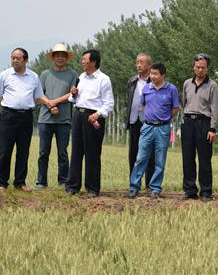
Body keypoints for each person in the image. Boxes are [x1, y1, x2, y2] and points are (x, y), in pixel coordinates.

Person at [0, 48, 45, 192]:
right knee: (5, 150)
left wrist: (26, 105)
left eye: (18, 58)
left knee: (23, 150)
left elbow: (37, 96)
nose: (14, 61)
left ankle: (20, 182)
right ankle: (2, 183)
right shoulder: (5, 75)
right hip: (8, 116)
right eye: (12, 58)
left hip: (26, 117)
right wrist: (9, 107)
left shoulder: (33, 76)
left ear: (26, 60)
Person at [126, 62, 180, 199]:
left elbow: (175, 108)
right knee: (140, 158)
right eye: (151, 73)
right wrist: (149, 119)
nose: (153, 76)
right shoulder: (146, 88)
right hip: (147, 127)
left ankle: (155, 188)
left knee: (159, 160)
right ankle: (134, 187)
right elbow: (143, 105)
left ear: (163, 75)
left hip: (163, 128)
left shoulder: (171, 89)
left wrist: (165, 119)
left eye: (156, 74)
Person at [65, 49, 114, 198]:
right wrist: (74, 93)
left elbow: (109, 103)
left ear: (94, 62)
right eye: (82, 59)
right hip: (79, 115)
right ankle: (72, 186)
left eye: (85, 59)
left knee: (92, 153)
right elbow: (74, 100)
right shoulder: (81, 77)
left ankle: (92, 188)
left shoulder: (103, 79)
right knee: (76, 152)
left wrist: (98, 114)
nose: (82, 62)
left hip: (93, 117)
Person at [36, 44, 78, 189]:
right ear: (52, 58)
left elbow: (72, 94)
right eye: (57, 55)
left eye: (63, 55)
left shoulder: (73, 74)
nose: (60, 58)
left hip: (64, 119)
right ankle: (41, 181)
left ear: (67, 58)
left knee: (62, 152)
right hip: (45, 119)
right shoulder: (45, 74)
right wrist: (50, 105)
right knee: (43, 152)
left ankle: (63, 181)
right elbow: (40, 93)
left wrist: (55, 102)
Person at [180, 53, 218, 202]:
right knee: (188, 158)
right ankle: (190, 190)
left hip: (204, 123)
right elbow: (185, 103)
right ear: (193, 67)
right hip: (188, 122)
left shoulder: (212, 85)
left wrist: (213, 129)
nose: (200, 70)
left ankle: (206, 192)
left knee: (204, 159)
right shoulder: (187, 83)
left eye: (203, 67)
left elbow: (215, 108)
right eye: (197, 67)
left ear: (207, 68)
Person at [126, 53, 155, 191]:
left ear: (149, 65)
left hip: (148, 122)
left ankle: (149, 185)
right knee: (133, 153)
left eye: (142, 62)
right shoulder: (132, 81)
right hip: (134, 120)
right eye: (137, 62)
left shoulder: (154, 81)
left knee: (149, 153)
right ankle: (134, 183)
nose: (139, 65)